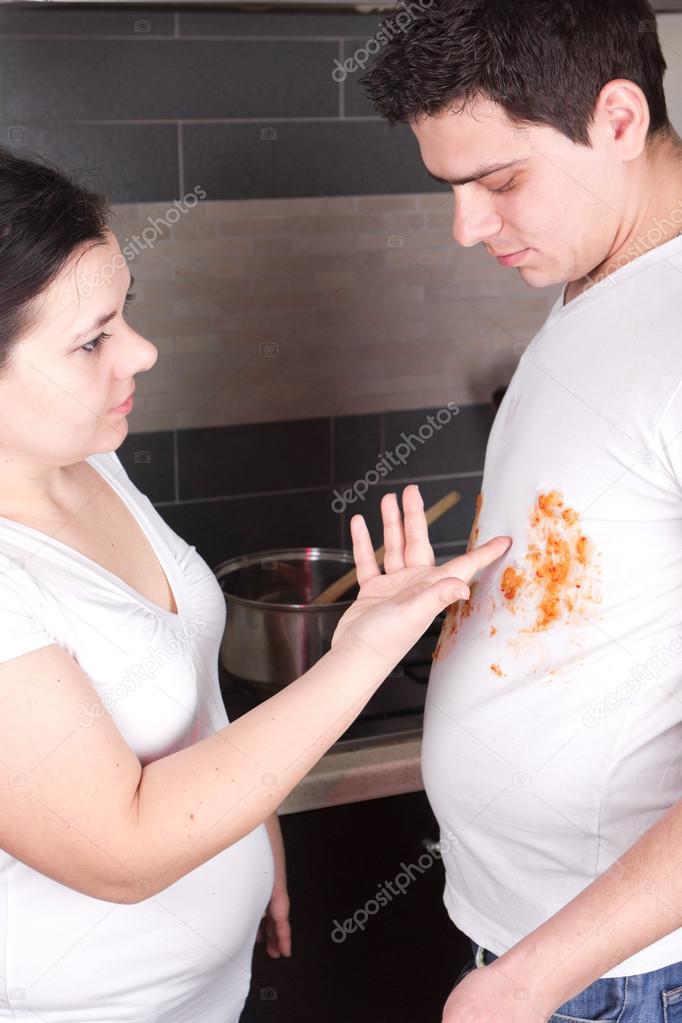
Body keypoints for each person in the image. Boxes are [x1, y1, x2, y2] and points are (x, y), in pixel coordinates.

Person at [0, 144, 510, 1022]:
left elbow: (195, 693)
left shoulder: (84, 461)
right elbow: (119, 849)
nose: (144, 352)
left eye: (129, 314)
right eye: (93, 340)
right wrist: (360, 651)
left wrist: (250, 824)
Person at [361, 0, 682, 1020]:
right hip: (537, 943)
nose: (467, 227)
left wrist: (532, 980)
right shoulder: (603, 276)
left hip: (620, 976)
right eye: (451, 189)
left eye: (499, 181)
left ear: (619, 119)